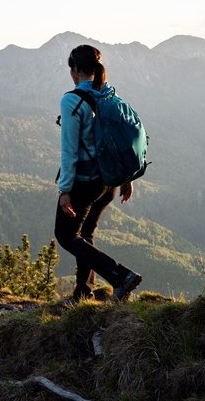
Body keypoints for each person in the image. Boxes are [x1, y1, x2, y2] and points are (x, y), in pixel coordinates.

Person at [55, 44, 143, 302]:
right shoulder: (108, 96)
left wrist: (65, 190)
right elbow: (119, 141)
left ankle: (120, 276)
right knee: (85, 234)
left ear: (75, 69)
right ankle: (83, 292)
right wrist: (127, 179)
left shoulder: (72, 100)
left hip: (84, 182)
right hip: (109, 182)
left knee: (67, 236)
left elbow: (69, 151)